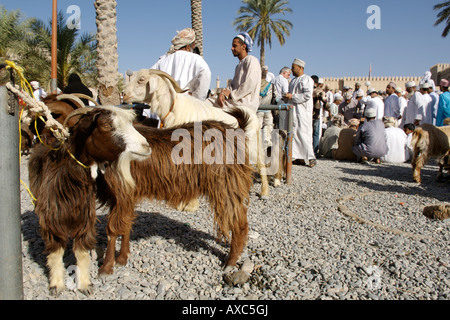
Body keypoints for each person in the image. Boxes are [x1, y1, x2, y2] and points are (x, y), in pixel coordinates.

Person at [151, 28, 211, 101]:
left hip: (164, 105)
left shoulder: (162, 61)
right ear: (188, 46)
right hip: (186, 105)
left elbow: (150, 77)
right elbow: (205, 77)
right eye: (194, 44)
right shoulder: (197, 59)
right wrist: (197, 100)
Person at [211, 32, 261, 112]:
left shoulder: (252, 60)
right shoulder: (239, 66)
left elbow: (250, 83)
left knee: (205, 104)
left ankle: (197, 125)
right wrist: (223, 93)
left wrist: (231, 95)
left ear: (243, 46)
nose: (232, 48)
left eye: (235, 46)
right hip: (236, 102)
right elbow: (232, 86)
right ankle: (198, 125)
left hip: (245, 104)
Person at [284, 58, 316, 167]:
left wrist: (292, 96)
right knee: (295, 134)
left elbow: (307, 95)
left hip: (303, 112)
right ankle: (299, 158)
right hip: (293, 111)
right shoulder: (293, 81)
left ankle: (311, 157)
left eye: (293, 67)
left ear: (300, 68)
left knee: (304, 134)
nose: (292, 70)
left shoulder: (307, 79)